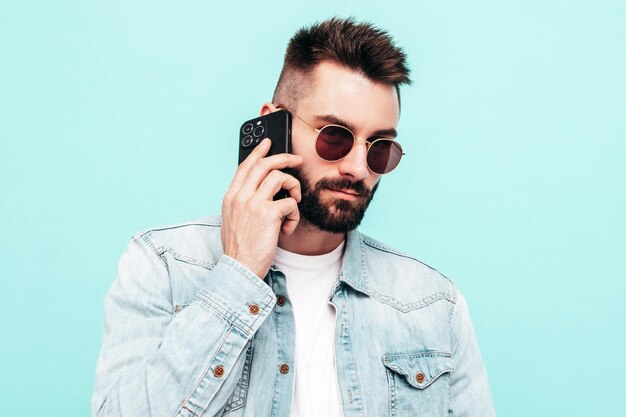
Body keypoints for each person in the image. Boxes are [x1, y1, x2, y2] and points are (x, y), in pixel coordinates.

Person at [92, 17, 495, 417]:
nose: (358, 168)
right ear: (273, 125)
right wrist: (239, 273)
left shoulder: (433, 304)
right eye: (334, 135)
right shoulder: (164, 266)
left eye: (379, 147)